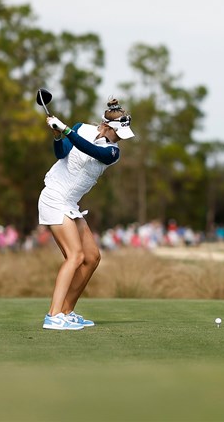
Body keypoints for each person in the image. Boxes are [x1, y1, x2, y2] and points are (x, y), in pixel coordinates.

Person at [38, 97, 135, 331]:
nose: (122, 138)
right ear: (108, 127)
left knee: (92, 257)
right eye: (119, 132)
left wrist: (65, 129)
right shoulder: (82, 128)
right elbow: (61, 153)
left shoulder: (112, 152)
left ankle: (66, 311)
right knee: (75, 256)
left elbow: (88, 148)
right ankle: (53, 316)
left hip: (69, 202)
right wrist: (58, 136)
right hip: (54, 197)